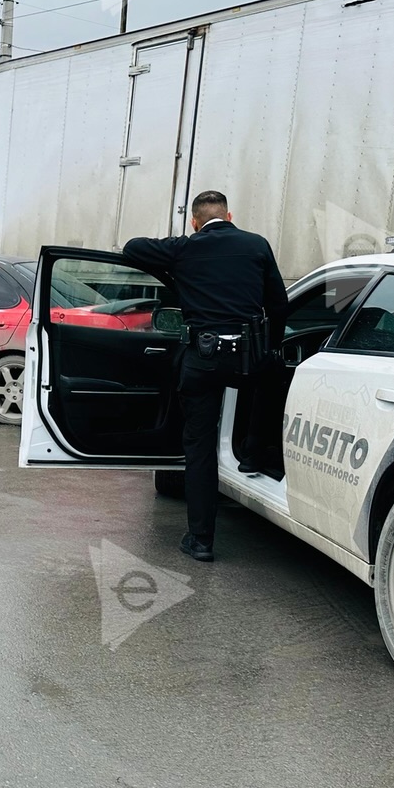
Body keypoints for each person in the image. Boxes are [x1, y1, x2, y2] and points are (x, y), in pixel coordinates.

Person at [123, 190, 286, 563]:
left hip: (203, 358)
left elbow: (132, 248)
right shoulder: (257, 245)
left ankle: (201, 541)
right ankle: (254, 454)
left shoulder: (185, 247)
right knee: (272, 378)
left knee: (199, 446)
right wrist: (268, 347)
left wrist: (174, 266)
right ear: (229, 216)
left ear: (195, 221)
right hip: (247, 357)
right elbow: (278, 304)